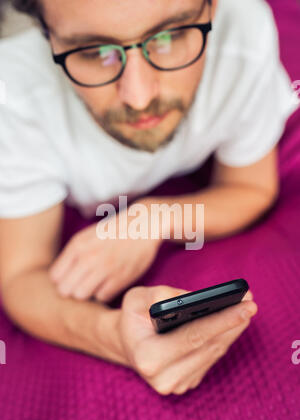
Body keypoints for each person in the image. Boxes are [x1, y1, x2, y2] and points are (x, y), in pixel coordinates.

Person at [0, 0, 297, 395]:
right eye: (93, 52)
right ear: (45, 35)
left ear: (214, 9)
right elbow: (21, 275)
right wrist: (111, 335)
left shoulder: (243, 29)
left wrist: (155, 219)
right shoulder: (14, 91)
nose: (139, 99)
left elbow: (252, 187)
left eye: (171, 35)